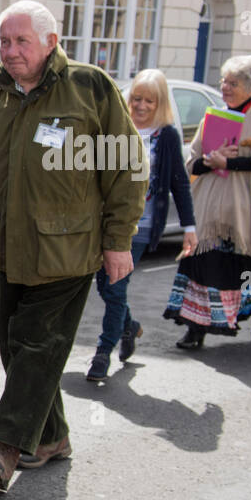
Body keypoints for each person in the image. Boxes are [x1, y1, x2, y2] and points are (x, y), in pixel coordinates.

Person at [0, 0, 144, 490]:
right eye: (4, 41)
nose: (11, 51)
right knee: (19, 351)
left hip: (68, 251)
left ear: (51, 42)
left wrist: (118, 240)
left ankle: (5, 446)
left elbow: (125, 168)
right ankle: (53, 437)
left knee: (37, 345)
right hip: (6, 246)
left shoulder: (89, 89)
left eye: (22, 41)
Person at [164, 55, 251, 347]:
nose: (225, 87)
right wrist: (209, 162)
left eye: (232, 83)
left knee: (249, 267)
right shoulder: (214, 114)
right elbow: (193, 161)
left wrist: (230, 163)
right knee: (200, 262)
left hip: (248, 209)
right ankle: (195, 326)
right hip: (210, 207)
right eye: (224, 81)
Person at [86, 69, 197, 380]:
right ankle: (130, 327)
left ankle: (102, 354)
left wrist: (189, 227)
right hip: (105, 221)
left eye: (150, 100)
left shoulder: (167, 136)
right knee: (107, 287)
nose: (142, 106)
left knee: (116, 285)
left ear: (159, 103)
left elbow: (180, 184)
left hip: (141, 225)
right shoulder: (117, 128)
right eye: (137, 98)